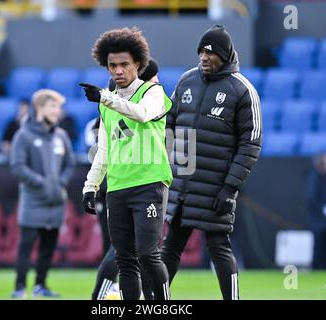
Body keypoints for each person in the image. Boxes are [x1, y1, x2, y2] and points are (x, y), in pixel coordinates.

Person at [162, 25, 262, 300]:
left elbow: (250, 144)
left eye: (210, 52)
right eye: (201, 52)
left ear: (225, 55)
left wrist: (230, 188)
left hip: (216, 187)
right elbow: (169, 125)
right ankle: (156, 302)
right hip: (182, 185)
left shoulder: (243, 91)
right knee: (170, 248)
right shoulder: (186, 81)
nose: (204, 57)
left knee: (219, 246)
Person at [80, 27, 172, 300]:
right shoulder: (107, 104)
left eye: (124, 64)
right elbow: (104, 150)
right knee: (125, 260)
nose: (117, 70)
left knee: (148, 255)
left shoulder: (153, 93)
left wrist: (106, 98)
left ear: (138, 65)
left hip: (149, 184)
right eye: (112, 65)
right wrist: (91, 185)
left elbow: (143, 115)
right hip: (118, 188)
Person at [10, 89, 75, 298]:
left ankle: (41, 285)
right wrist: (41, 182)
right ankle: (20, 288)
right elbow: (18, 166)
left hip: (56, 201)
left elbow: (69, 164)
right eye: (54, 106)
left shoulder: (61, 135)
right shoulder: (24, 135)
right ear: (40, 107)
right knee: (26, 246)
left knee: (48, 247)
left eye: (59, 106)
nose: (58, 111)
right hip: (32, 201)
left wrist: (59, 183)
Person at [306, 152, 326, 269]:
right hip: (318, 220)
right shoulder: (315, 177)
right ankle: (316, 268)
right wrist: (323, 208)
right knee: (319, 247)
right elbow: (311, 198)